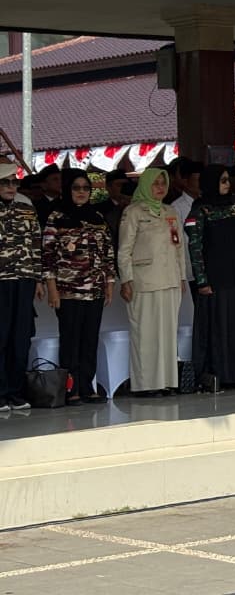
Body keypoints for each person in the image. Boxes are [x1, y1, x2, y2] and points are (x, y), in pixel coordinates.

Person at [42, 169, 114, 404]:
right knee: (71, 339)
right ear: (67, 190)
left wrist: (109, 283)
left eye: (86, 188)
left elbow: (107, 253)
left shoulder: (97, 217)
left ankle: (87, 386)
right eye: (76, 188)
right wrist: (52, 288)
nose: (81, 192)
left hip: (95, 289)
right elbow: (48, 255)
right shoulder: (57, 217)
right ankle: (71, 389)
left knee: (90, 339)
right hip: (68, 289)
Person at [184, 165, 235, 392]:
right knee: (215, 327)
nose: (227, 184)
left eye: (227, 180)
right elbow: (195, 248)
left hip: (234, 277)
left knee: (234, 325)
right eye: (222, 180)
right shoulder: (200, 210)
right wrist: (202, 281)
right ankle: (215, 375)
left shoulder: (234, 208)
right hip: (213, 280)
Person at [116, 168, 184, 396]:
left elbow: (179, 248)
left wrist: (182, 277)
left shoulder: (170, 211)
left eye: (163, 183)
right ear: (145, 185)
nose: (160, 188)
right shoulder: (133, 212)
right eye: (155, 183)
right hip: (143, 280)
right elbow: (124, 250)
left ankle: (166, 382)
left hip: (170, 279)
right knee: (145, 334)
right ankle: (145, 385)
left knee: (167, 334)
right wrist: (126, 280)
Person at [0, 162, 42, 412]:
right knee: (1, 337)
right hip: (1, 281)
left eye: (14, 182)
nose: (11, 187)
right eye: (5, 182)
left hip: (24, 279)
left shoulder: (26, 209)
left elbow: (36, 245)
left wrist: (37, 279)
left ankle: (15, 392)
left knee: (21, 338)